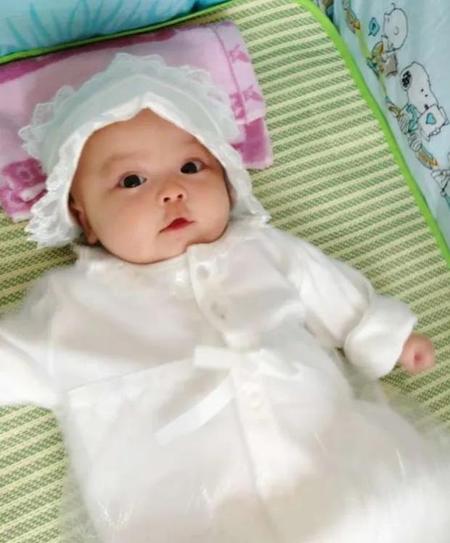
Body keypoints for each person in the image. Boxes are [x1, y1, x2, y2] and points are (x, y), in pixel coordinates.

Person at [0, 53, 448, 543]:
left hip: (328, 459)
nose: (172, 190)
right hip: (187, 514)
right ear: (84, 218)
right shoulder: (72, 303)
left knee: (392, 510)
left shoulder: (260, 248)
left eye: (191, 166)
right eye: (132, 181)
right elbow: (14, 356)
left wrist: (381, 332)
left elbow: (325, 287)